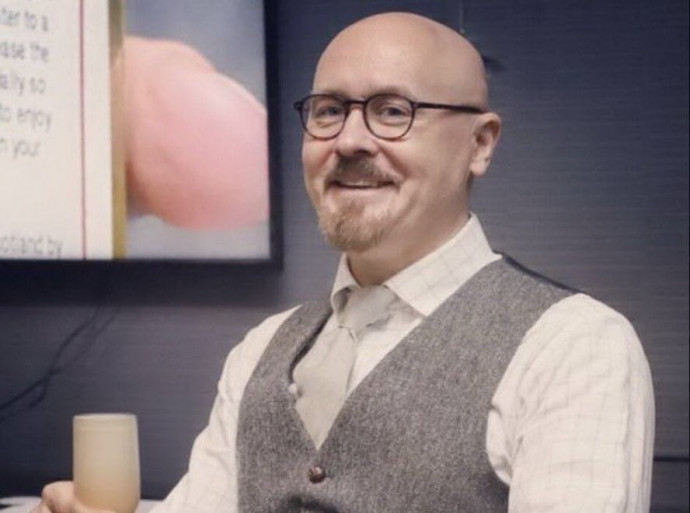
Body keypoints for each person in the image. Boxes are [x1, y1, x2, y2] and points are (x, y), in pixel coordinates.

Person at [34, 11, 654, 513]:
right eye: (329, 111)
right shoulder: (260, 350)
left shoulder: (574, 348)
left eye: (393, 111)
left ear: (479, 144)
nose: (350, 141)